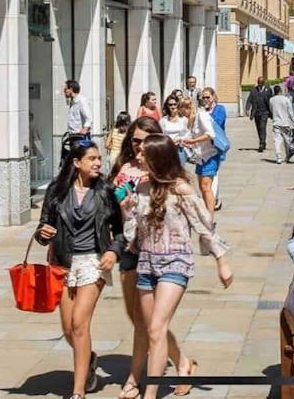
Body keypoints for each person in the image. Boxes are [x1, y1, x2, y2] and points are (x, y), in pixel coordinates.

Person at [122, 134, 234, 399]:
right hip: (147, 262)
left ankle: (150, 393)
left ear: (158, 158)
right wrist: (127, 209)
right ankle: (182, 364)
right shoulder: (141, 188)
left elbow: (204, 226)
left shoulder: (181, 189)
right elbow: (132, 236)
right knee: (150, 329)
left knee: (157, 329)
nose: (138, 157)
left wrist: (222, 261)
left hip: (176, 262)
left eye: (143, 154)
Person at [35, 141, 123, 399]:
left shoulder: (106, 190)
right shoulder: (57, 190)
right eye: (92, 159)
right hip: (63, 262)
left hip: (93, 262)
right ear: (76, 162)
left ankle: (78, 390)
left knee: (79, 324)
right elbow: (43, 228)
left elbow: (119, 230)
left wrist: (112, 251)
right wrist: (43, 233)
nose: (98, 163)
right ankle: (89, 360)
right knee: (67, 329)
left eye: (99, 158)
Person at [109, 116, 163, 399]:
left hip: (154, 251)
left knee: (148, 320)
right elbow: (112, 207)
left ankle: (134, 377)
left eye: (144, 141)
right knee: (136, 315)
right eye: (135, 140)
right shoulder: (121, 167)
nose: (138, 146)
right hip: (127, 246)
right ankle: (181, 361)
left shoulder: (162, 172)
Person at [177, 96, 219, 215]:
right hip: (200, 157)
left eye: (182, 110)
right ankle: (206, 213)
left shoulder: (201, 116)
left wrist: (194, 141)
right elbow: (194, 136)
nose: (182, 114)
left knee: (206, 187)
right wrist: (184, 140)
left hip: (210, 155)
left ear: (188, 107)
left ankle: (209, 217)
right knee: (201, 187)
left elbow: (210, 134)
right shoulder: (192, 119)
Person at [201, 87, 227, 211]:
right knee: (211, 173)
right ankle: (216, 197)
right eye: (203, 97)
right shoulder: (202, 110)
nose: (205, 99)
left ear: (213, 96)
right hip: (204, 146)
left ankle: (213, 199)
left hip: (217, 145)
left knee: (214, 173)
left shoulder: (219, 109)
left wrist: (204, 118)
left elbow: (216, 123)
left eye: (208, 97)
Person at [269, 85, 294, 164]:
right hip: (285, 123)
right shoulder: (286, 99)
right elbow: (290, 112)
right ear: (280, 91)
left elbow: (271, 110)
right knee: (287, 140)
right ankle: (287, 156)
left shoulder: (271, 100)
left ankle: (278, 157)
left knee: (277, 140)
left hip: (276, 122)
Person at [245, 77, 272, 152]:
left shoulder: (268, 90)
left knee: (262, 127)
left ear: (263, 83)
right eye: (259, 84)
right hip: (256, 112)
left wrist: (272, 111)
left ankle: (262, 143)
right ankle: (262, 141)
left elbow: (271, 100)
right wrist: (247, 109)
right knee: (258, 128)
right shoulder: (253, 90)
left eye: (261, 84)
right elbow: (249, 100)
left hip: (265, 112)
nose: (259, 85)